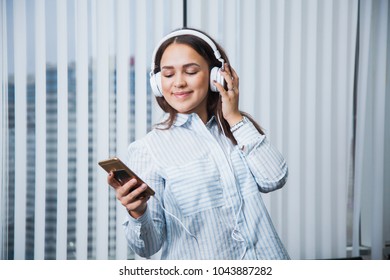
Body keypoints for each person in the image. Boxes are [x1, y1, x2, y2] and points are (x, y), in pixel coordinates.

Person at [107, 28, 289, 260]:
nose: (179, 83)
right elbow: (147, 247)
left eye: (191, 71)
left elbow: (274, 178)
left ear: (217, 77)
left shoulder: (237, 129)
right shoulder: (148, 150)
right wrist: (137, 211)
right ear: (157, 82)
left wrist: (234, 117)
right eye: (168, 74)